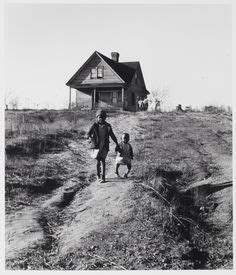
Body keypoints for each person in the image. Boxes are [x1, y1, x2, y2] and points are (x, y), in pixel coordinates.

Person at [87, 109, 119, 183]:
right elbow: (88, 134)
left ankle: (103, 176)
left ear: (105, 118)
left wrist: (116, 143)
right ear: (97, 117)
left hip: (104, 146)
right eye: (99, 117)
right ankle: (98, 176)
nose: (100, 118)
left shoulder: (108, 126)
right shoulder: (94, 125)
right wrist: (90, 138)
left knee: (103, 160)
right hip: (96, 146)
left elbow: (112, 135)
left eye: (102, 117)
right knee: (98, 160)